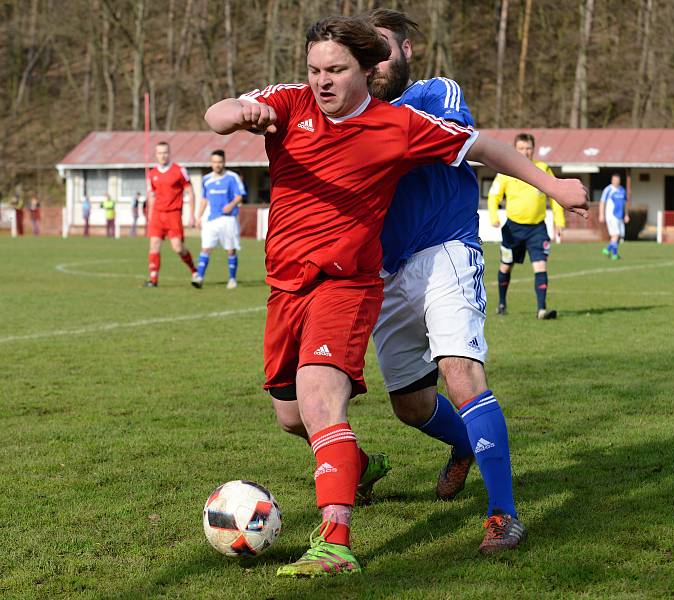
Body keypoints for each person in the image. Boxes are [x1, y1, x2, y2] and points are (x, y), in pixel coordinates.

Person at [205, 15, 587, 578]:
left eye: (335, 69)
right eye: (314, 69)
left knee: (363, 394)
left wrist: (553, 186)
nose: (322, 81)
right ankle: (362, 466)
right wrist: (240, 113)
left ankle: (374, 535)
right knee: (304, 417)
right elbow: (217, 115)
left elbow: (482, 147)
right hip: (299, 285)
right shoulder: (290, 103)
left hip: (380, 272)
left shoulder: (403, 120)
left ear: (369, 67)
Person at [366, 7, 525, 554]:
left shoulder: (436, 93)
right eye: (367, 53)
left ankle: (503, 513)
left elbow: (455, 138)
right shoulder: (350, 114)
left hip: (445, 251)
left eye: (384, 48)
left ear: (406, 49)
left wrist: (370, 128)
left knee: (461, 376)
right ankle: (463, 448)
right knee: (409, 405)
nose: (377, 62)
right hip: (385, 271)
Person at [488, 133, 565, 319]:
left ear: (534, 149)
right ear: (515, 149)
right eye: (521, 148)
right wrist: (493, 216)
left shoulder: (542, 168)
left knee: (540, 266)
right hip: (513, 229)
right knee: (506, 266)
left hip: (537, 229)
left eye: (528, 148)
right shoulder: (506, 171)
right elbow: (494, 195)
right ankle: (501, 303)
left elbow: (555, 195)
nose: (525, 152)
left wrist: (559, 220)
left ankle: (541, 309)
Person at [144, 141, 198, 287]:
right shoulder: (152, 173)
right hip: (157, 215)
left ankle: (194, 270)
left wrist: (191, 214)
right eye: (160, 153)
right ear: (156, 155)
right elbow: (151, 196)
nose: (163, 155)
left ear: (169, 153)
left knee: (178, 248)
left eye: (165, 152)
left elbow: (190, 192)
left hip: (173, 215)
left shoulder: (179, 170)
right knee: (154, 245)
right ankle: (153, 279)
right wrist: (149, 216)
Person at [196, 150, 246, 289]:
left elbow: (240, 196)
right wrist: (198, 217)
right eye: (214, 162)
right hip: (211, 220)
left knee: (231, 250)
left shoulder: (232, 177)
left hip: (228, 220)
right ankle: (199, 277)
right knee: (205, 248)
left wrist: (231, 205)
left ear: (224, 162)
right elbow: (204, 199)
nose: (217, 165)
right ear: (211, 163)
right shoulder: (206, 179)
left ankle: (232, 279)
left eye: (219, 162)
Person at [599, 173, 628, 260]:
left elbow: (625, 203)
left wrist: (626, 215)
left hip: (620, 216)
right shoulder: (608, 190)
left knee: (618, 236)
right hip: (611, 216)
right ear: (612, 180)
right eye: (614, 180)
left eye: (618, 180)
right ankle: (612, 253)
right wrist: (601, 214)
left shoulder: (622, 190)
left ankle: (610, 252)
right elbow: (602, 202)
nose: (616, 181)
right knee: (616, 234)